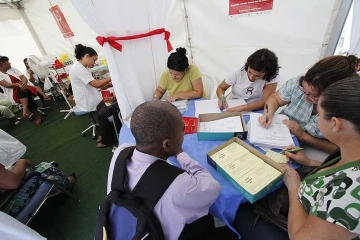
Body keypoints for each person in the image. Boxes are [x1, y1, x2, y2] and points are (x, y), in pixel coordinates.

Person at [234, 76, 360, 240]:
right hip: (301, 207)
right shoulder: (350, 152)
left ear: (335, 123)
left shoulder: (348, 193)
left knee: (239, 210)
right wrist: (308, 162)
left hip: (292, 228)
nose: (315, 116)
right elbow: (335, 173)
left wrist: (295, 187)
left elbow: (300, 237)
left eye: (319, 114)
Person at [107, 101, 221, 240]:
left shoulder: (121, 151)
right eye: (182, 130)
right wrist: (181, 155)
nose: (184, 134)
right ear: (167, 144)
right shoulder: (179, 186)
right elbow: (213, 188)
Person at [259, 55, 357, 153]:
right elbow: (275, 98)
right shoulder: (300, 83)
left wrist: (303, 136)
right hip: (278, 135)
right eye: (304, 90)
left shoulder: (345, 110)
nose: (306, 96)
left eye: (313, 95)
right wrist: (268, 114)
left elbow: (342, 150)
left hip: (316, 151)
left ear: (332, 95)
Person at [0, 130, 76, 218]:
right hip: (7, 211)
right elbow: (13, 182)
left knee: (19, 169)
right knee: (41, 169)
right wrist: (22, 162)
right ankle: (65, 183)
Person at [69, 44, 117, 148]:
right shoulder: (78, 68)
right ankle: (106, 136)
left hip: (92, 94)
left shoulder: (83, 67)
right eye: (94, 60)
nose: (94, 63)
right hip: (86, 99)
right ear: (87, 56)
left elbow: (95, 83)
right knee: (102, 111)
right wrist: (112, 77)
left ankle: (104, 135)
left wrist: (105, 85)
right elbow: (95, 84)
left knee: (102, 111)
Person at [0, 56, 42, 125]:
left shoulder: (13, 69)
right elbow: (6, 84)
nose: (9, 63)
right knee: (26, 95)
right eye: (7, 61)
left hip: (26, 87)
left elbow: (23, 77)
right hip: (14, 94)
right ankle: (37, 116)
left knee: (23, 90)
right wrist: (18, 85)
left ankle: (25, 110)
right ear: (1, 63)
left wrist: (23, 84)